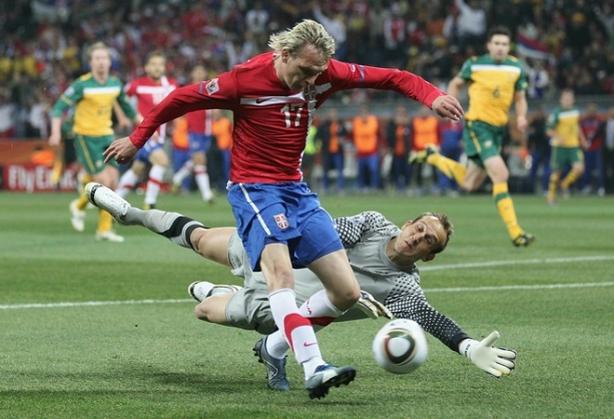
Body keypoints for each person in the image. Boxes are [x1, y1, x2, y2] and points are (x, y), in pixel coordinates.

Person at [102, 19, 463, 399]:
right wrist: (137, 139)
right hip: (255, 189)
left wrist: (432, 97)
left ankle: (272, 347)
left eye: (318, 72)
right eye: (305, 70)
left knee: (346, 292)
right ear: (284, 54)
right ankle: (314, 366)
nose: (312, 80)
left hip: (296, 190)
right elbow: (181, 99)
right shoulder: (243, 80)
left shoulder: (326, 73)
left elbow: (392, 77)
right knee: (281, 276)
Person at [86, 182, 517, 392]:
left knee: (204, 311)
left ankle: (221, 295)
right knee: (199, 239)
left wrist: (467, 346)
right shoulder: (372, 224)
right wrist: (275, 254)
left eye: (428, 242)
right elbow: (321, 236)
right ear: (408, 223)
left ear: (429, 256)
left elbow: (430, 318)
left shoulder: (403, 288)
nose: (418, 238)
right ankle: (129, 212)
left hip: (279, 308)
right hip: (277, 253)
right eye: (419, 228)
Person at [412, 26, 534, 247]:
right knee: (501, 173)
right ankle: (516, 233)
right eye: (496, 43)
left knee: (469, 184)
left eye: (504, 44)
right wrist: (449, 106)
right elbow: (455, 84)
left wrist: (522, 116)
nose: (500, 47)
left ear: (509, 47)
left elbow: (520, 97)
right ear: (489, 45)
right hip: (478, 126)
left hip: (498, 131)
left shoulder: (516, 67)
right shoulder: (475, 64)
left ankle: (433, 157)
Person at [48, 42, 137, 242]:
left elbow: (129, 110)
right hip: (86, 137)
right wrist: (55, 132)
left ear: (110, 62)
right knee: (104, 181)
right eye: (97, 58)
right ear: (90, 63)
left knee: (113, 182)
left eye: (104, 58)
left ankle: (81, 208)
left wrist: (148, 127)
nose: (101, 62)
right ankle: (102, 228)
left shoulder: (115, 83)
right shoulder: (81, 84)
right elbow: (58, 108)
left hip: (107, 135)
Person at [115, 51, 177, 209]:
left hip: (160, 136)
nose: (157, 67)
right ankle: (150, 203)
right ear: (146, 67)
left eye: (161, 64)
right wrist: (122, 117)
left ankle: (114, 200)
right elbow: (118, 98)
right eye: (153, 64)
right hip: (145, 133)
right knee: (162, 161)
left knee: (137, 169)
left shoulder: (170, 85)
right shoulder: (137, 85)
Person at [171, 65, 215, 203]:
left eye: (202, 71)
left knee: (196, 160)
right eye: (197, 71)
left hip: (207, 131)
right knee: (200, 160)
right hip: (195, 130)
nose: (200, 74)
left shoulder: (211, 88)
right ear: (192, 74)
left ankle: (178, 177)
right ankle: (207, 194)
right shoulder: (189, 89)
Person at [545, 90, 588, 204]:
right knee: (556, 172)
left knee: (579, 168)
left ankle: (565, 184)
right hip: (560, 147)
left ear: (573, 100)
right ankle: (551, 197)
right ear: (561, 100)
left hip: (573, 145)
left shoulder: (575, 111)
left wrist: (583, 140)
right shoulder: (556, 113)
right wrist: (558, 137)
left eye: (570, 98)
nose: (568, 100)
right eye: (565, 98)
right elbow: (548, 129)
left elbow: (577, 126)